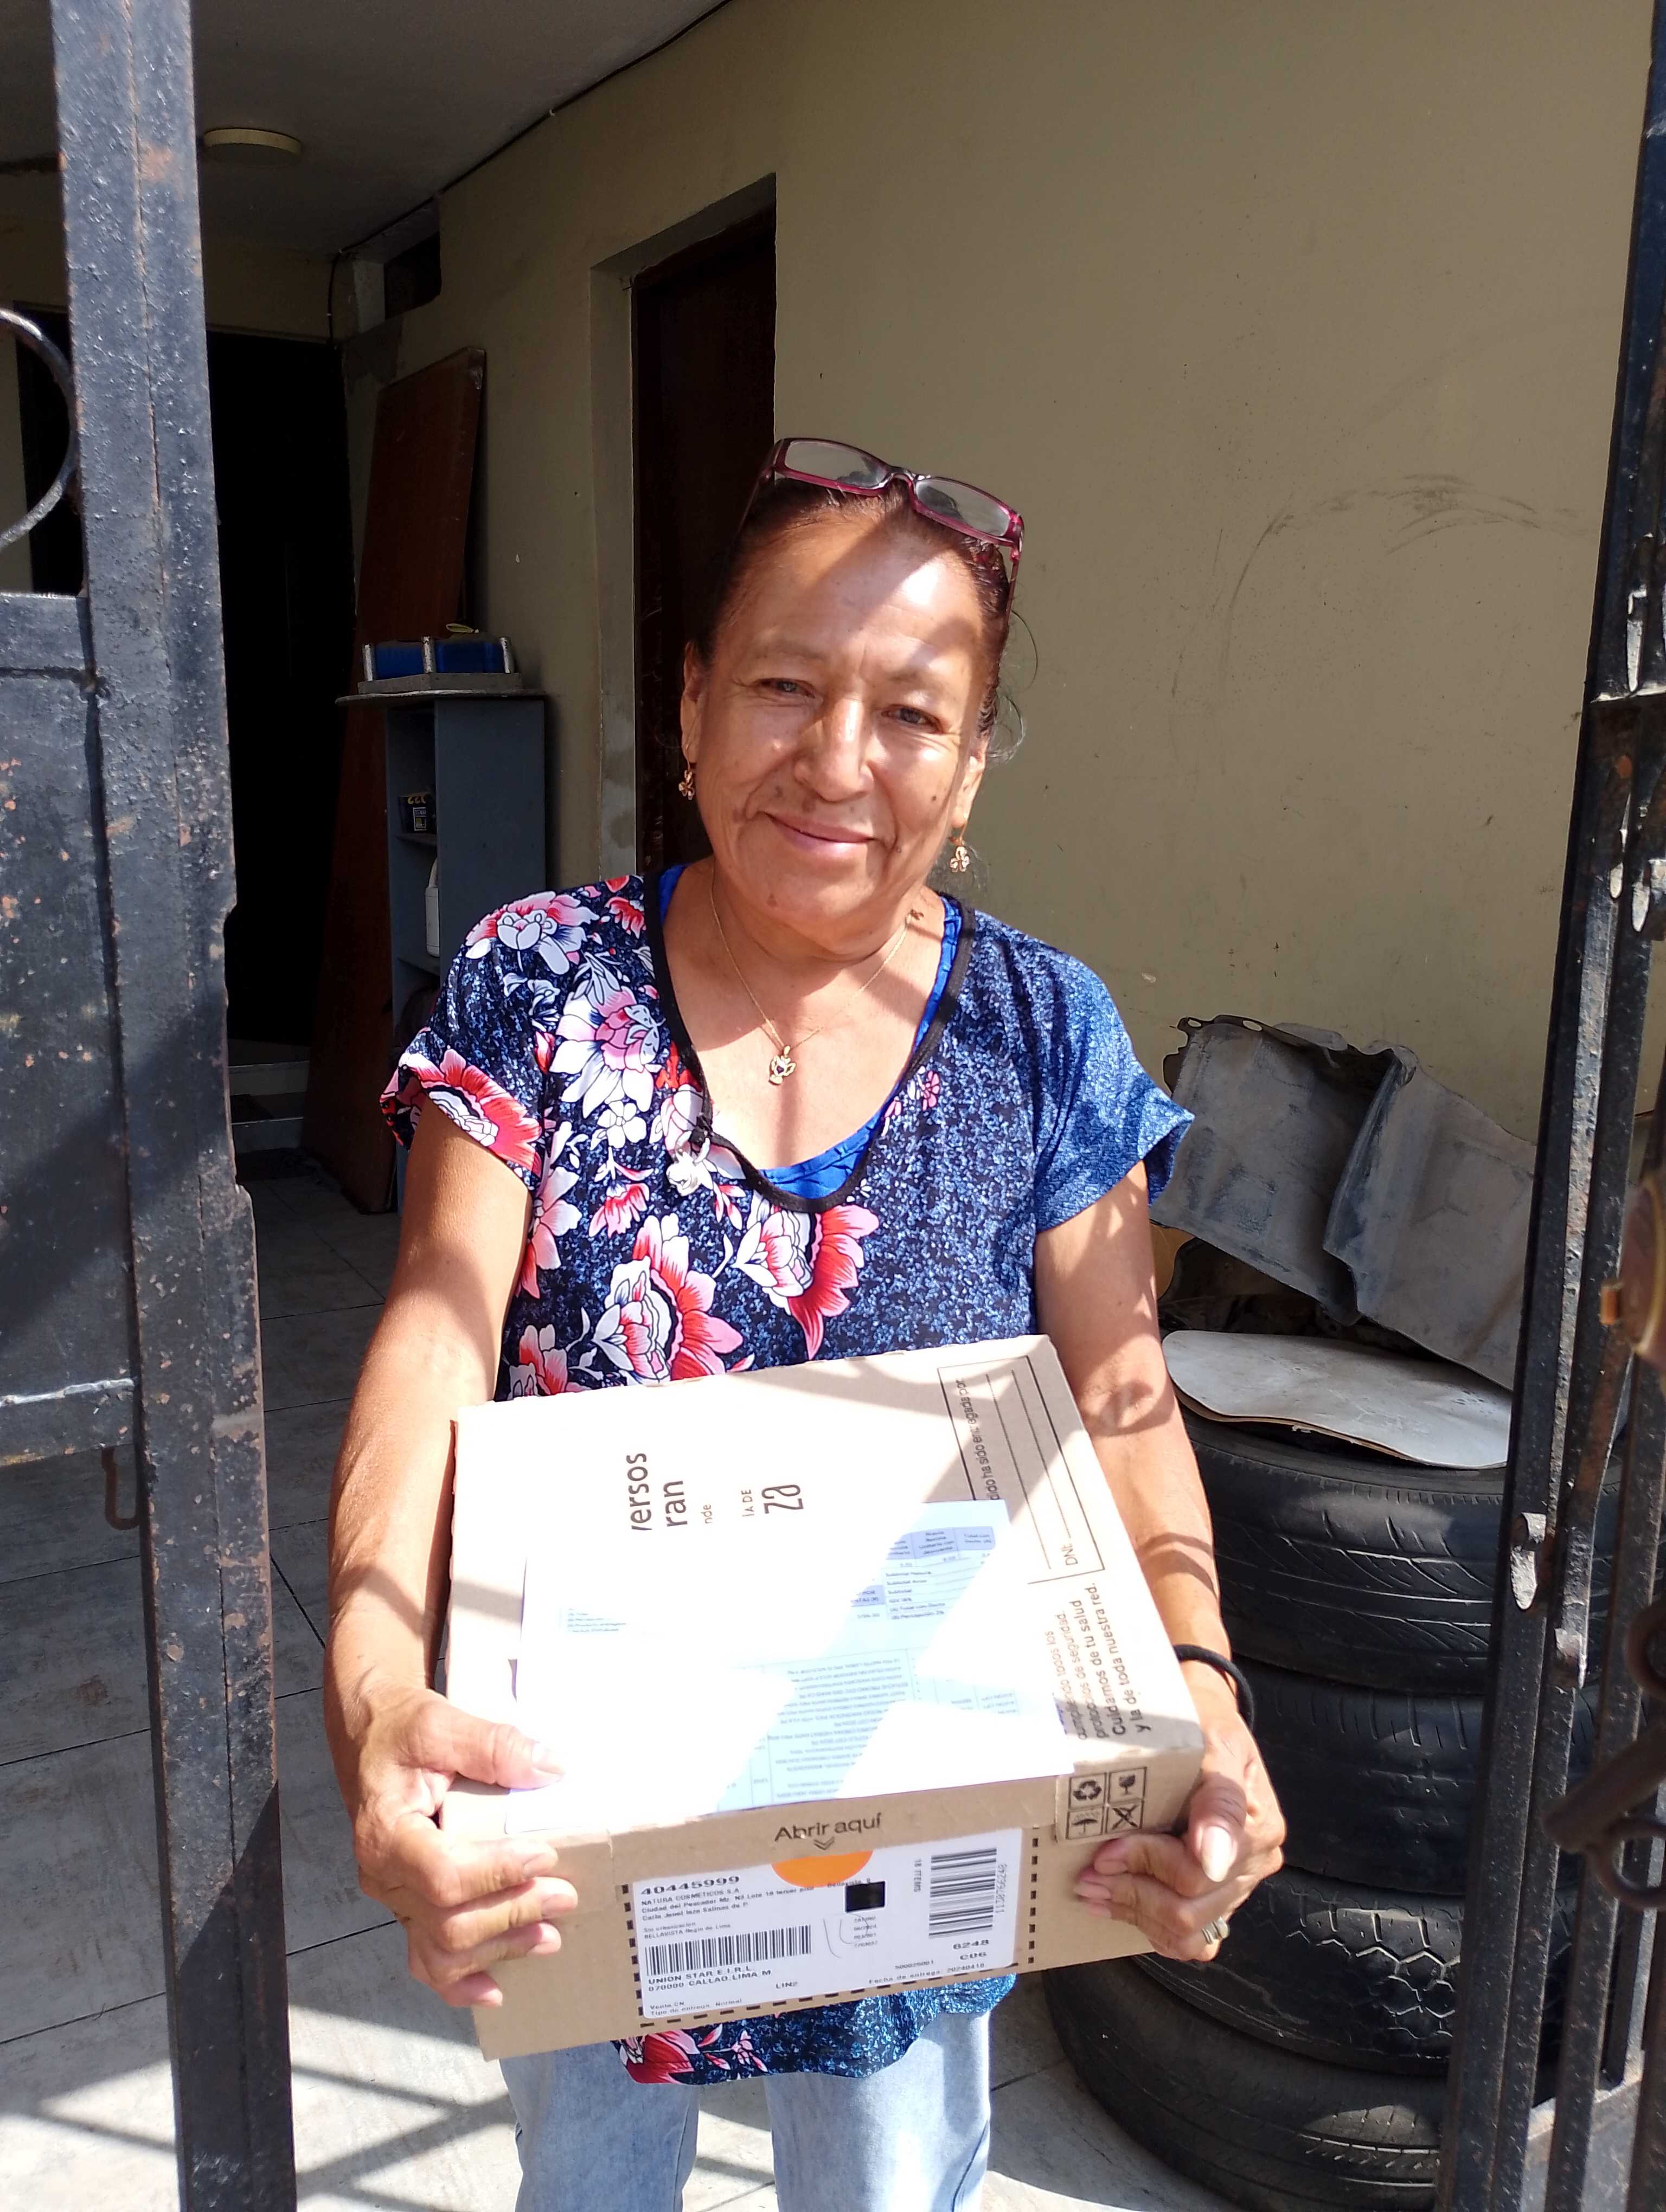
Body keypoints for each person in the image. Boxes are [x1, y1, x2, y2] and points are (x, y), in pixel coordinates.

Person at [324, 436, 1285, 2212]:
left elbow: (1122, 1401)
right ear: (692, 705)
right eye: (784, 685)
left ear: (972, 765)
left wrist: (1202, 1684)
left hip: (914, 1819)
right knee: (589, 2190)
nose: (838, 761)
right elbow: (436, 1338)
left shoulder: (1040, 1033)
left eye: (913, 713)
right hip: (588, 1816)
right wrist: (375, 1686)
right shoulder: (542, 982)